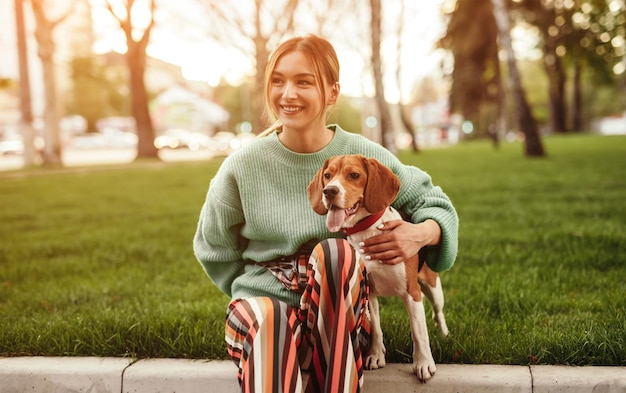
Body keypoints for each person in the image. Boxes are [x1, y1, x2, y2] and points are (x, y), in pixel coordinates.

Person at [193, 34, 458, 393]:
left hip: (338, 314)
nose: (288, 94)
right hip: (264, 312)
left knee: (337, 254)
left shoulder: (362, 154)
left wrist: (421, 233)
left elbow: (435, 204)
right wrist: (262, 287)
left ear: (331, 93)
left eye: (304, 81)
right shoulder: (241, 166)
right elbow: (214, 249)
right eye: (278, 80)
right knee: (271, 325)